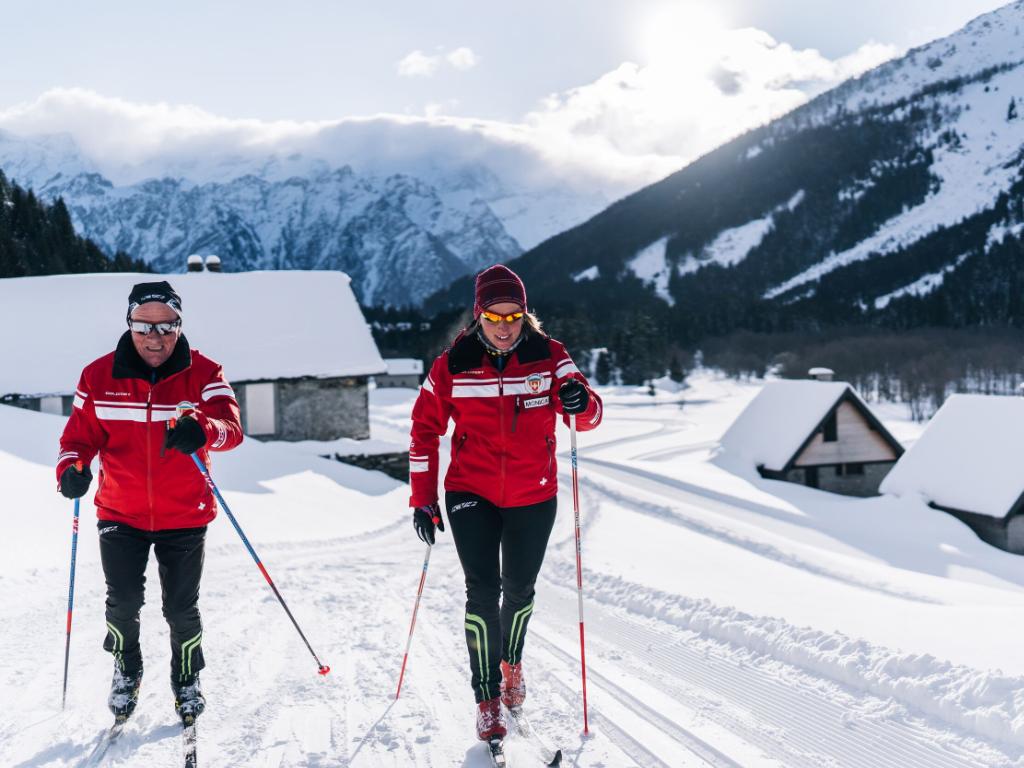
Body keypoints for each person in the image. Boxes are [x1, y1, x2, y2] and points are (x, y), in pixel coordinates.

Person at [408, 264, 602, 741]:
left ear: (525, 314)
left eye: (513, 315)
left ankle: (511, 663)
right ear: (479, 318)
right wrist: (423, 500)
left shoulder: (549, 357)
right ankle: (487, 697)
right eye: (493, 318)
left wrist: (580, 401)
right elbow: (424, 432)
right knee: (482, 592)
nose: (504, 326)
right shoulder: (452, 364)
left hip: (533, 494)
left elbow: (591, 413)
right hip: (470, 493)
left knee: (518, 592)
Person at [56, 281, 243, 723]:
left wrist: (203, 429)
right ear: (129, 324)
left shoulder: (205, 372)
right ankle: (127, 667)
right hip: (120, 511)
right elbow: (78, 438)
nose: (154, 336)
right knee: (121, 602)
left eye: (165, 326)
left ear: (179, 326)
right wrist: (70, 470)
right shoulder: (98, 376)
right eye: (144, 325)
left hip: (184, 513)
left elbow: (231, 427)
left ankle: (186, 676)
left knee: (180, 607)